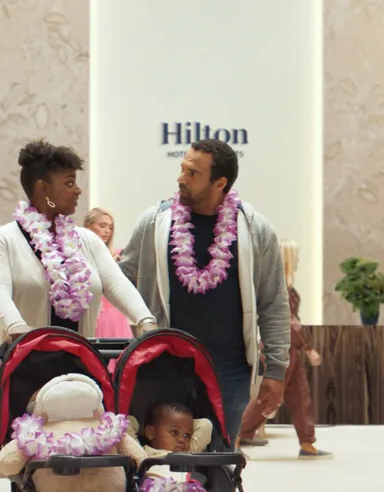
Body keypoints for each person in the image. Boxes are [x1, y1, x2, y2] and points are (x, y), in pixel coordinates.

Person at [118, 138, 291, 443]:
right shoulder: (155, 223)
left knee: (219, 465)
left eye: (193, 173)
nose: (181, 178)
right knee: (154, 462)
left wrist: (276, 371)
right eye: (182, 168)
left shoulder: (255, 230)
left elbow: (273, 304)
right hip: (163, 365)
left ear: (219, 183)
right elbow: (120, 280)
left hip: (230, 371)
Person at [0, 140, 158, 347]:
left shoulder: (88, 241)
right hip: (24, 366)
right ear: (43, 189)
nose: (78, 190)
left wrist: (145, 321)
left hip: (82, 365)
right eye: (69, 183)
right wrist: (15, 325)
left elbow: (116, 283)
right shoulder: (2, 240)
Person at [237, 239, 330, 459]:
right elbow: (288, 323)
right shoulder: (280, 289)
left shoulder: (285, 287)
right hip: (281, 349)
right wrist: (307, 347)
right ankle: (234, 437)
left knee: (300, 396)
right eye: (295, 256)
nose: (298, 260)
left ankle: (307, 442)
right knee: (267, 397)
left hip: (289, 350)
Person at [82, 208, 134, 339]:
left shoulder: (118, 256)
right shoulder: (79, 256)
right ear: (88, 226)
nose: (107, 231)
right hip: (94, 315)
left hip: (117, 316)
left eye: (110, 227)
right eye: (102, 225)